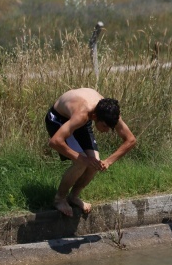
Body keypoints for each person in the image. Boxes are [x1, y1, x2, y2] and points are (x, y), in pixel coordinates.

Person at [45, 88, 136, 217]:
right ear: (95, 117)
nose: (106, 131)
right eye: (104, 126)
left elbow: (130, 140)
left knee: (95, 164)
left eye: (110, 128)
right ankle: (59, 199)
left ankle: (74, 196)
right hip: (59, 118)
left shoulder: (111, 113)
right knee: (81, 164)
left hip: (80, 120)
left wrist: (108, 161)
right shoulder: (83, 114)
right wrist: (82, 159)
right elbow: (54, 142)